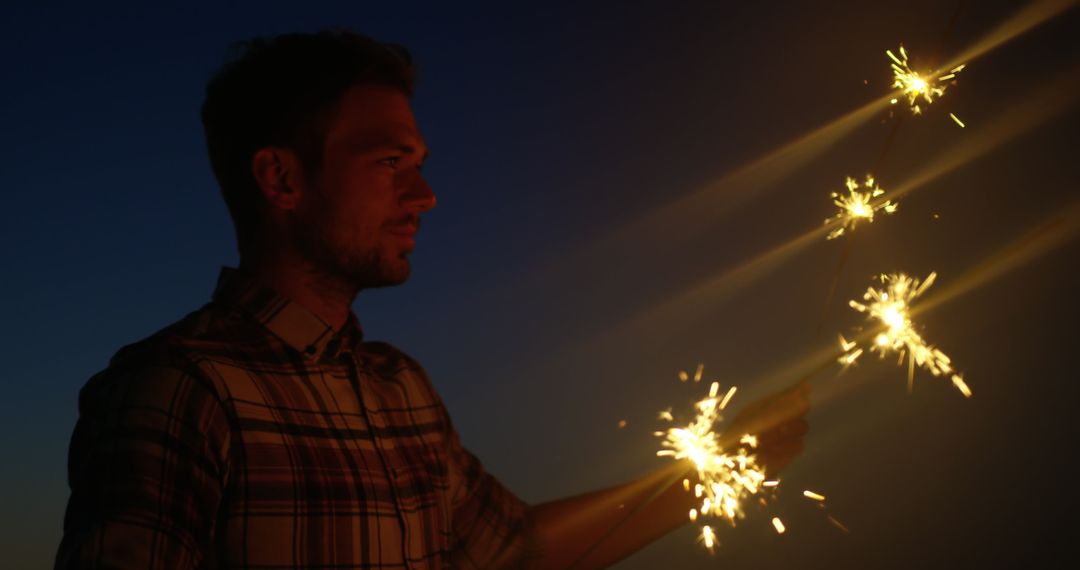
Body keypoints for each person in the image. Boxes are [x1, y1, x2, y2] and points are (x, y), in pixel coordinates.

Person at [54, 30, 810, 569]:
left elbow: (514, 549)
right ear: (281, 180)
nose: (425, 195)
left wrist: (721, 469)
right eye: (389, 163)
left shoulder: (400, 388)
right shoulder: (179, 390)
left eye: (417, 163)